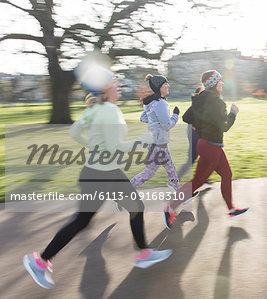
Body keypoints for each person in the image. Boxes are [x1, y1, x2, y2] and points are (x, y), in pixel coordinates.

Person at [23, 66, 172, 289]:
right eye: (114, 81)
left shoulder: (95, 108)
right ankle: (143, 253)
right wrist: (143, 140)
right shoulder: (109, 111)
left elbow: (74, 132)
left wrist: (95, 146)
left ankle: (41, 261)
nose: (118, 84)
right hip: (105, 174)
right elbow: (115, 147)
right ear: (104, 87)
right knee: (126, 209)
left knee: (87, 219)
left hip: (96, 171)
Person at [162, 70, 249, 229]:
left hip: (206, 144)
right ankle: (170, 207)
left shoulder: (199, 99)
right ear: (214, 83)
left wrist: (201, 123)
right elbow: (225, 127)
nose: (222, 83)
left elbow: (186, 117)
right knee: (197, 181)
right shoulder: (217, 102)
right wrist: (233, 113)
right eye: (220, 81)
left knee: (227, 174)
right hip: (211, 147)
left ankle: (231, 209)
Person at [130, 74, 181, 191]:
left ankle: (178, 190)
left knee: (162, 170)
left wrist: (155, 121)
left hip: (154, 142)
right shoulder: (160, 103)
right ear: (159, 87)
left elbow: (143, 118)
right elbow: (167, 125)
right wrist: (175, 115)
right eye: (165, 83)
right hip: (158, 144)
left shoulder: (152, 102)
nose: (168, 85)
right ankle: (179, 192)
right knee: (155, 172)